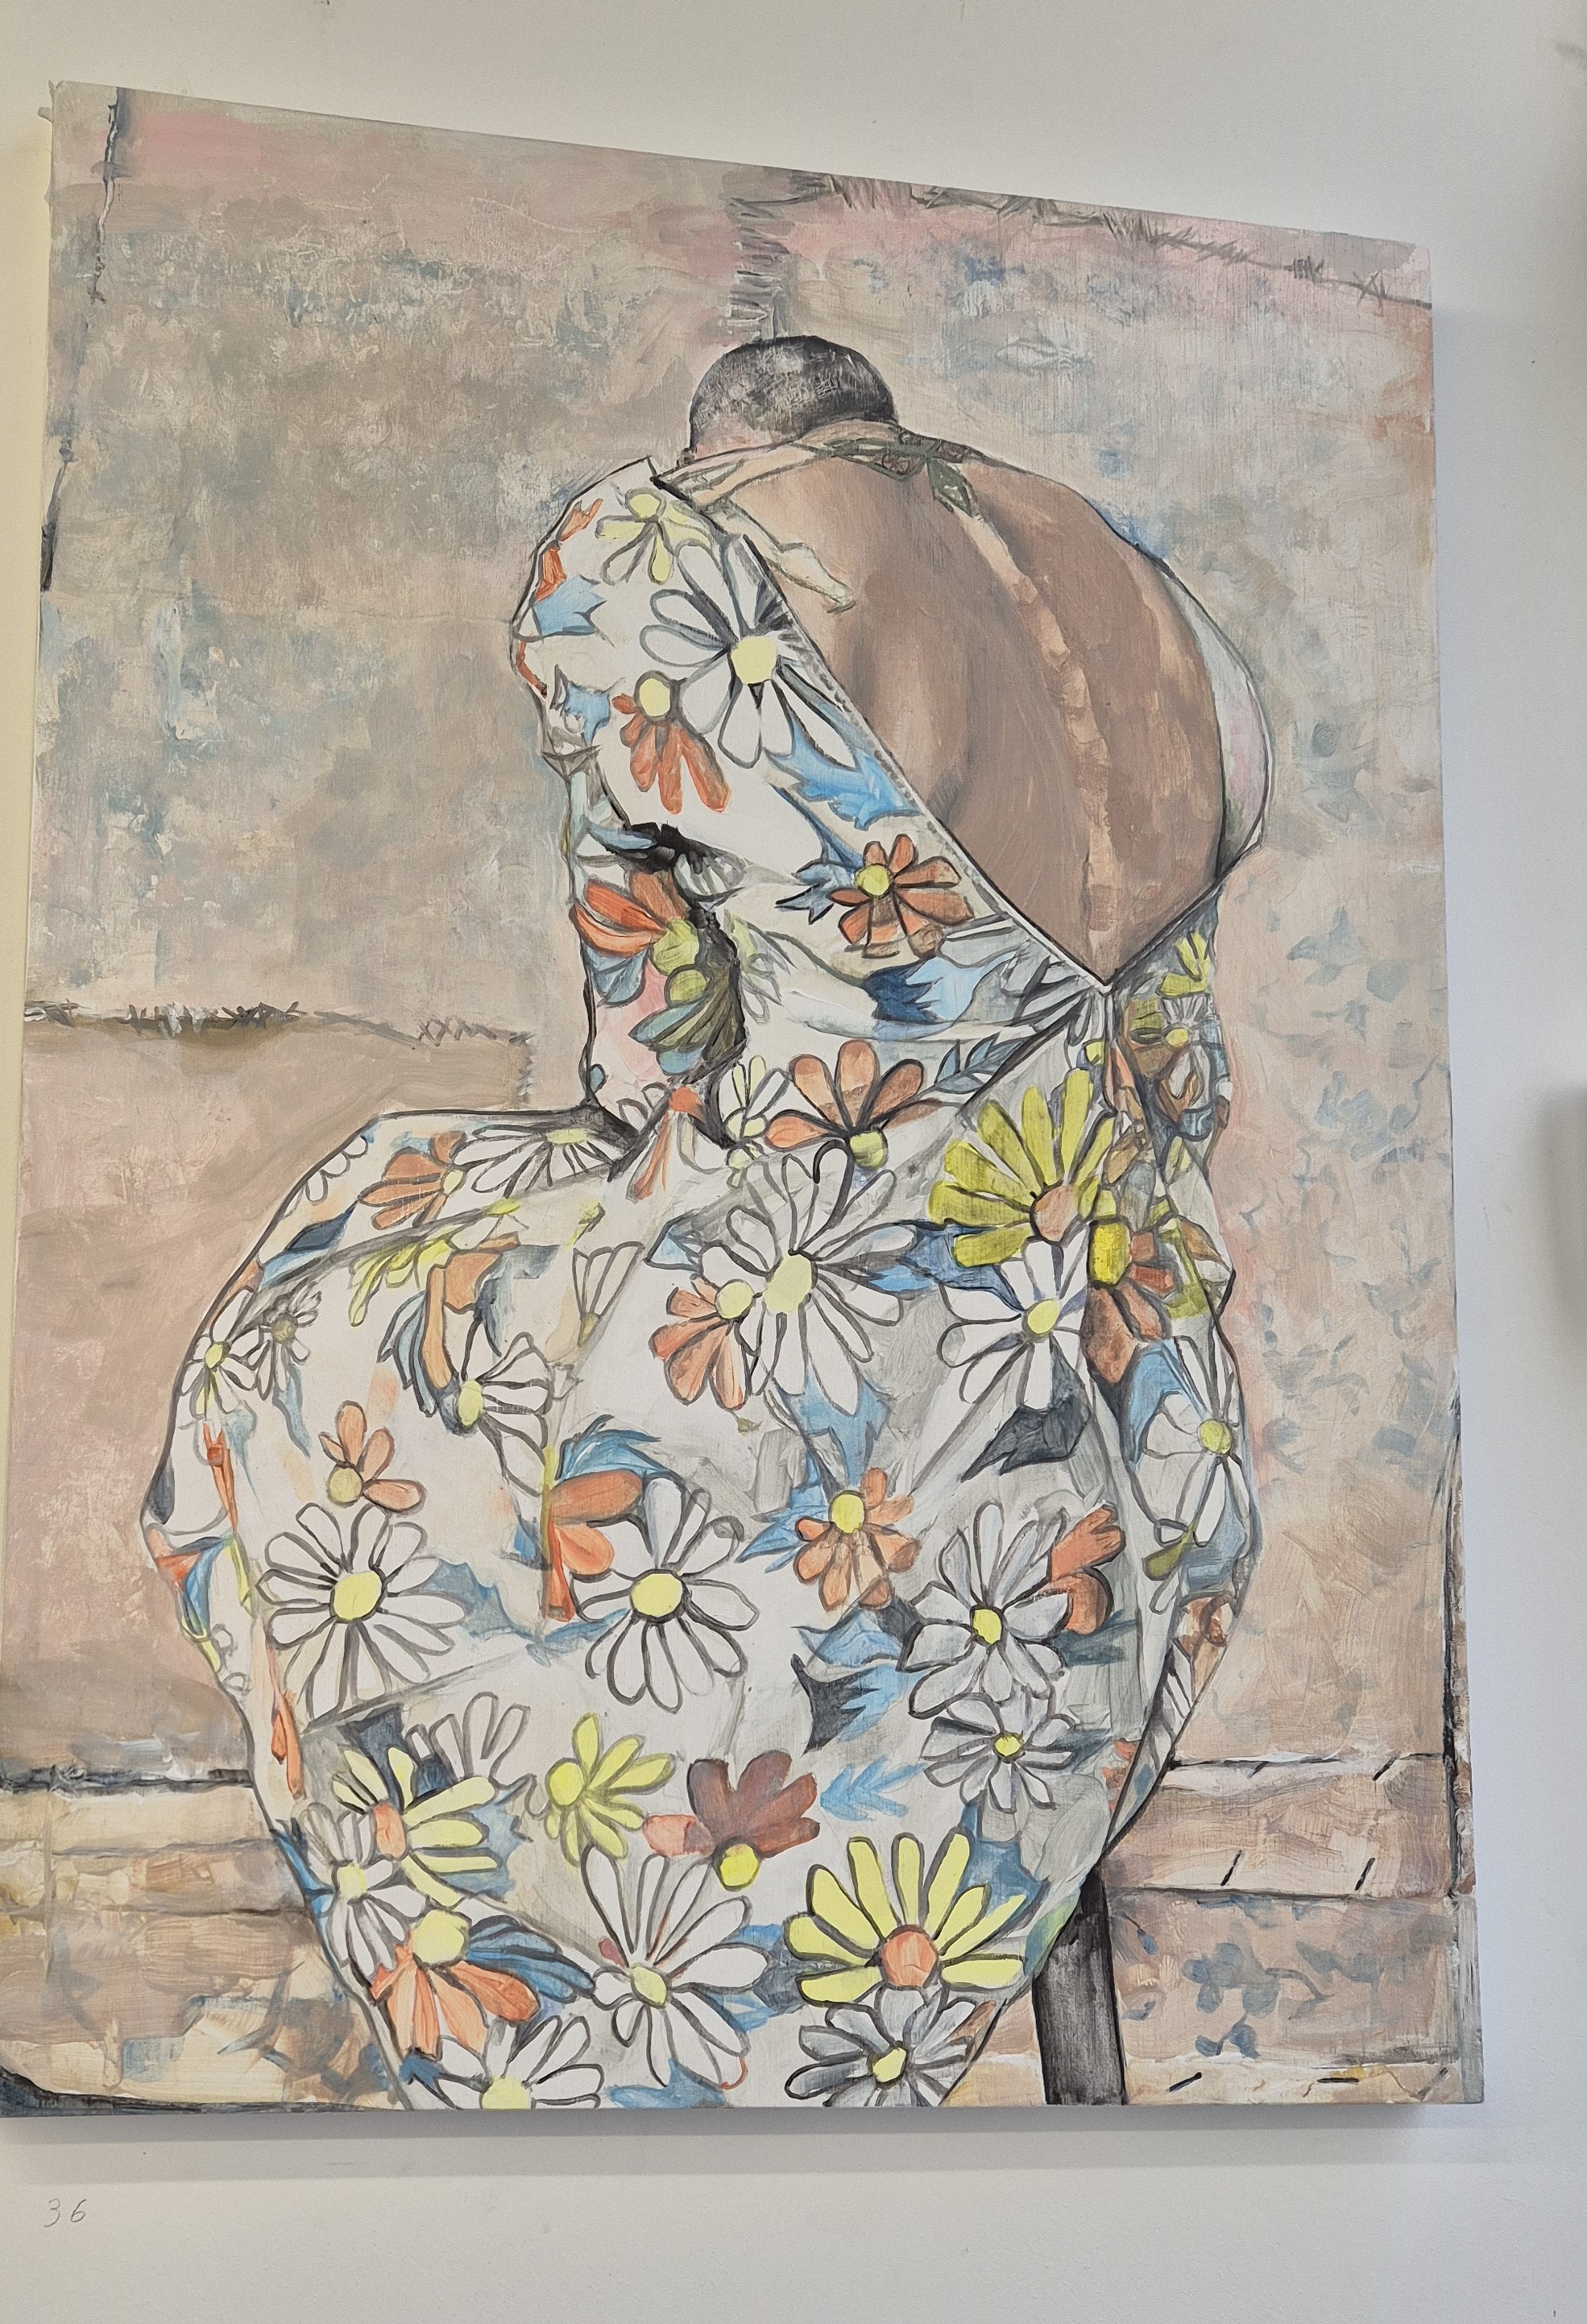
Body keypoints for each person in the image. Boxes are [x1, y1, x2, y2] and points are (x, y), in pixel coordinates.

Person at [141, 335, 1270, 2111]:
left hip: (829, 1357)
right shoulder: (1133, 587)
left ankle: (589, 2020)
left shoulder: (660, 555)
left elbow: (649, 1034)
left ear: (720, 449)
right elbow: (1178, 1083)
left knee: (309, 1334)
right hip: (1125, 1401)